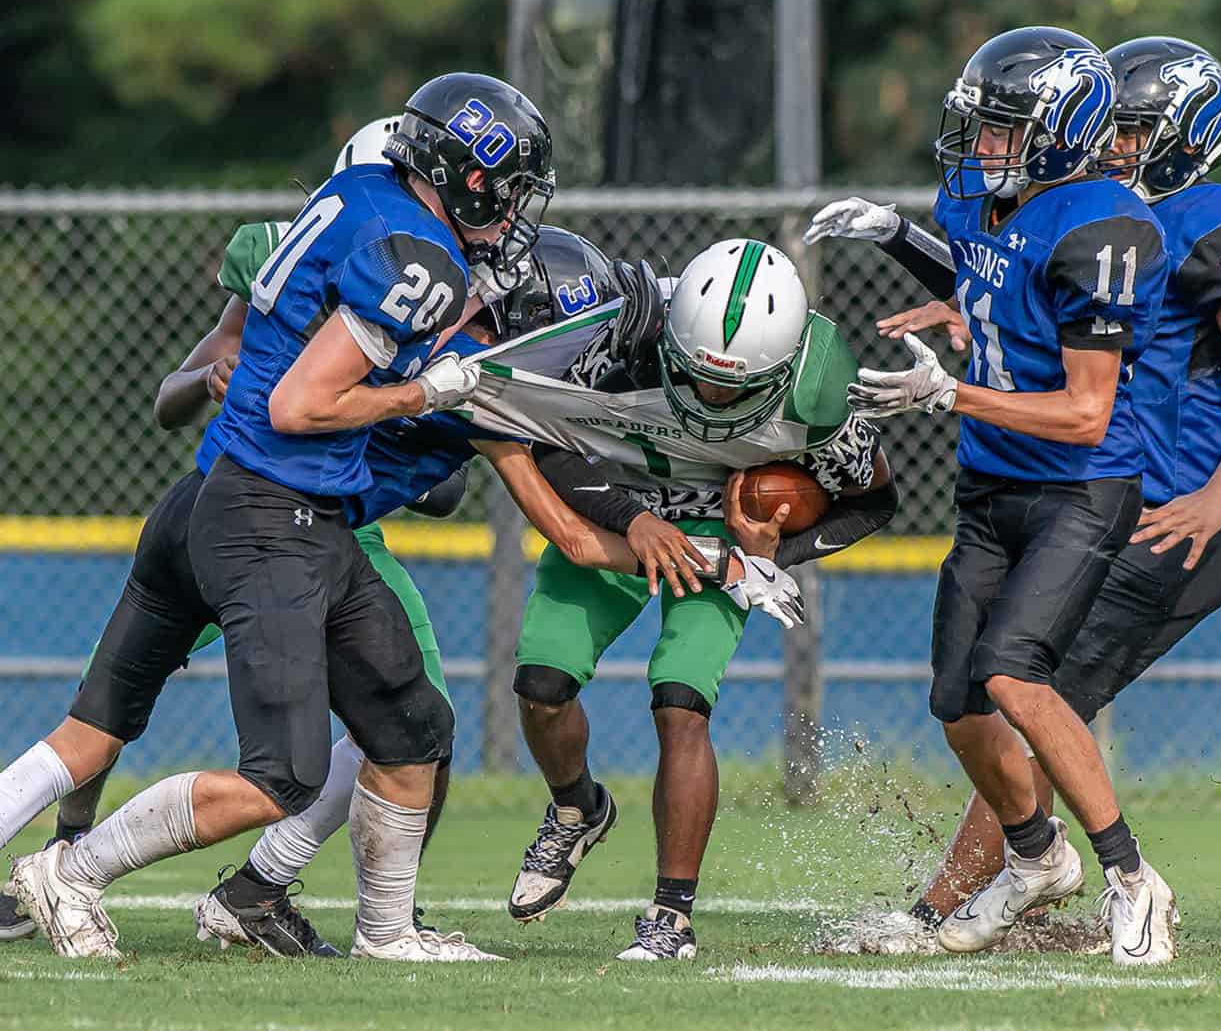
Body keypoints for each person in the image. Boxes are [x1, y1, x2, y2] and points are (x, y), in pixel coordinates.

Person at [3, 72, 558, 962]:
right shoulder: (419, 258)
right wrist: (427, 389)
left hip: (271, 502)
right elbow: (302, 403)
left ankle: (387, 933)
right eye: (511, 189)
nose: (516, 213)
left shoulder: (358, 190)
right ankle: (71, 870)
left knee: (414, 724)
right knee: (287, 776)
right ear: (465, 174)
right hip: (274, 509)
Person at [810, 35, 1221, 956]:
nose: (1113, 145)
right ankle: (1006, 885)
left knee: (1035, 696)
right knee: (1008, 695)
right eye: (1107, 125)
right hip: (1091, 491)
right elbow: (1017, 284)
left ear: (1180, 135)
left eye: (1130, 129)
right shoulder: (1080, 216)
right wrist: (953, 296)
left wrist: (1217, 499)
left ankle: (973, 903)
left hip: (1174, 511)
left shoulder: (1216, 219)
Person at [468, 238, 899, 960]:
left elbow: (875, 501)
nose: (713, 397)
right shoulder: (623, 336)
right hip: (618, 504)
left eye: (734, 385)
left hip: (716, 531)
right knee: (540, 686)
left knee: (681, 703)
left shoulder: (816, 397)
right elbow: (548, 439)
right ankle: (577, 807)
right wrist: (633, 520)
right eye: (698, 376)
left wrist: (765, 556)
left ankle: (672, 916)